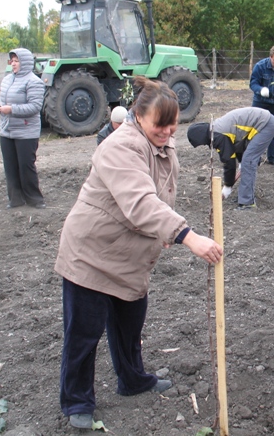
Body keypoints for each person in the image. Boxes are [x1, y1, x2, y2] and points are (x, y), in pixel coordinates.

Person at [54, 76, 223, 429]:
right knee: (84, 335)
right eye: (160, 125)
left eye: (173, 125)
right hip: (92, 252)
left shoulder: (161, 142)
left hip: (130, 254)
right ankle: (76, 400)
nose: (168, 132)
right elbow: (140, 200)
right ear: (138, 116)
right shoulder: (121, 146)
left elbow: (161, 191)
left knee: (130, 325)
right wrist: (187, 236)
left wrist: (160, 232)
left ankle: (132, 380)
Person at [187, 107, 274, 210]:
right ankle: (245, 196)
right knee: (246, 160)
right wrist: (241, 161)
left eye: (202, 143)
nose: (204, 145)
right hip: (260, 124)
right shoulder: (216, 130)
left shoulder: (219, 135)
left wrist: (227, 186)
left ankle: (247, 203)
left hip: (265, 124)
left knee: (248, 160)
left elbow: (229, 162)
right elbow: (237, 145)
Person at [0, 48, 46, 209]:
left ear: (26, 62)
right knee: (10, 166)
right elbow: (2, 98)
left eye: (16, 61)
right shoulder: (7, 80)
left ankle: (34, 199)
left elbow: (35, 107)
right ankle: (15, 199)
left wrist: (12, 109)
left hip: (26, 131)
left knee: (26, 166)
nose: (13, 64)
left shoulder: (34, 82)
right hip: (7, 130)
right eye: (12, 61)